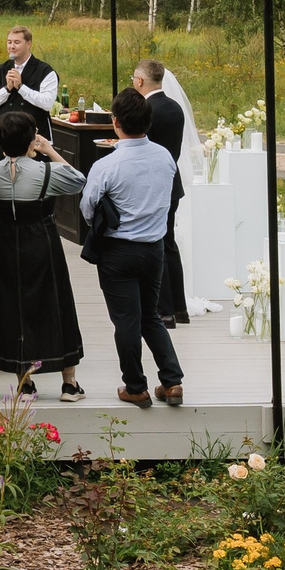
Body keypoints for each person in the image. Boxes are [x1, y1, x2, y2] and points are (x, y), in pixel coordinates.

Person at [80, 88, 185, 411]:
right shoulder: (165, 157)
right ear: (148, 122)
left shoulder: (107, 165)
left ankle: (135, 386)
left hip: (118, 251)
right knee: (150, 316)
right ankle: (172, 381)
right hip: (154, 248)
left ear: (115, 123)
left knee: (126, 320)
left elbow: (87, 208)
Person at [0, 109, 87, 400]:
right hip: (41, 239)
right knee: (56, 303)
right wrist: (49, 150)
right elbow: (78, 180)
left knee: (12, 305)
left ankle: (25, 381)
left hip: (5, 241)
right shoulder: (46, 172)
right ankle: (69, 383)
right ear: (31, 139)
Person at [132, 59, 190, 326]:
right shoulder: (175, 108)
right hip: (172, 182)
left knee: (157, 245)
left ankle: (164, 310)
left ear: (141, 81)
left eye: (134, 78)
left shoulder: (146, 109)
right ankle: (179, 307)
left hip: (151, 185)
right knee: (169, 244)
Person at [0, 26, 60, 120]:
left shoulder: (45, 71)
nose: (12, 46)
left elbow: (47, 103)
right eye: (9, 42)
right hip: (5, 129)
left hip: (35, 130)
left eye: (17, 42)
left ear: (28, 44)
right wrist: (7, 89)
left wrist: (21, 87)